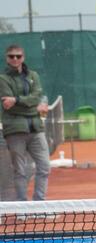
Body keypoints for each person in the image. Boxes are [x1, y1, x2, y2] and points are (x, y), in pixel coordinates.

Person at [0, 44, 51, 201]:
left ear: (23, 57)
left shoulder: (33, 76)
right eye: (11, 56)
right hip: (15, 130)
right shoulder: (2, 79)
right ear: (7, 58)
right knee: (20, 171)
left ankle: (39, 203)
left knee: (44, 167)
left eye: (18, 56)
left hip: (36, 129)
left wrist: (16, 100)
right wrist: (33, 106)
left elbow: (37, 96)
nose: (15, 59)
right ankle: (22, 206)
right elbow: (8, 106)